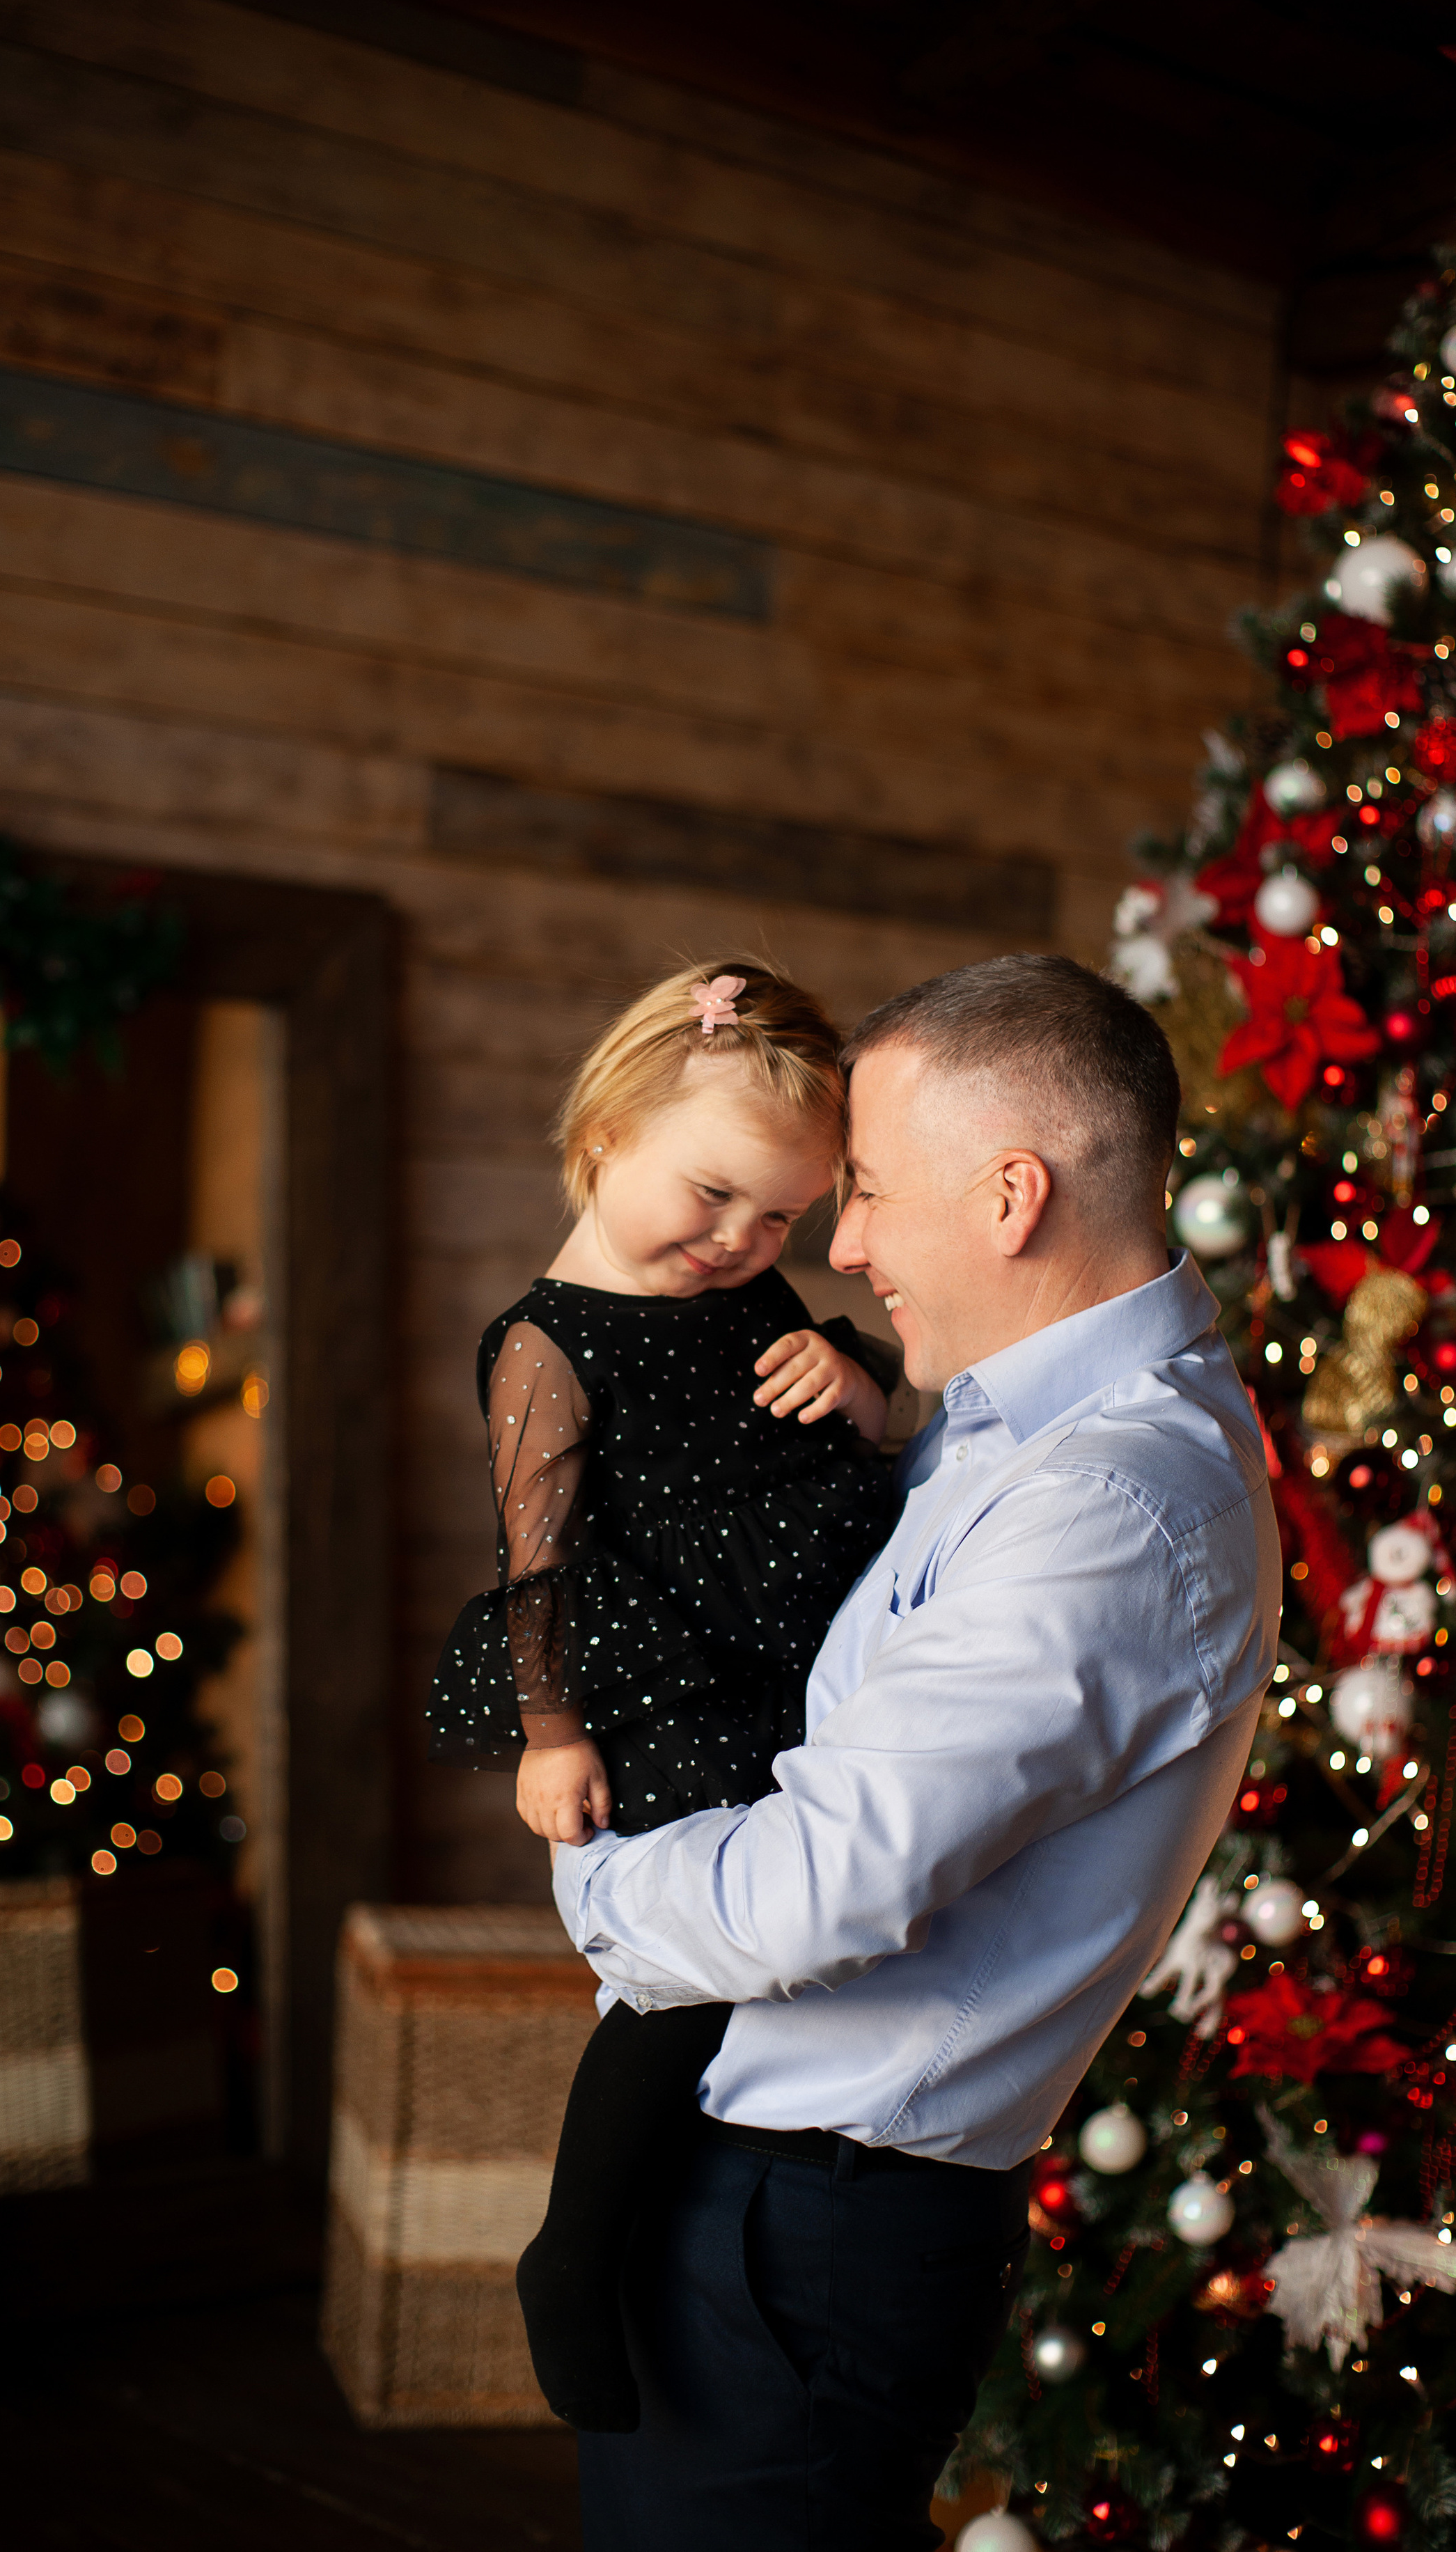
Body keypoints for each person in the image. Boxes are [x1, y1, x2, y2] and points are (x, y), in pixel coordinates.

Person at [552, 951, 1284, 2551]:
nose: (843, 1242)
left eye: (870, 1190)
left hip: (808, 2227)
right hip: (761, 2181)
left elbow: (814, 1891)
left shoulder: (1110, 1503)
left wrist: (592, 1873)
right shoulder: (1005, 1423)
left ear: (1010, 1194)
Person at [428, 960, 900, 2430]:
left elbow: (858, 1431)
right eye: (710, 1197)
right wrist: (551, 1736)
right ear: (603, 1138)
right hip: (667, 1675)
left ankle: (740, 2215)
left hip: (796, 1645)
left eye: (779, 1218)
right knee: (691, 1965)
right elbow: (539, 1564)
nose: (741, 1239)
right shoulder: (543, 1348)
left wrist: (852, 1377)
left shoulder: (751, 1286)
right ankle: (572, 2252)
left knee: (812, 1926)